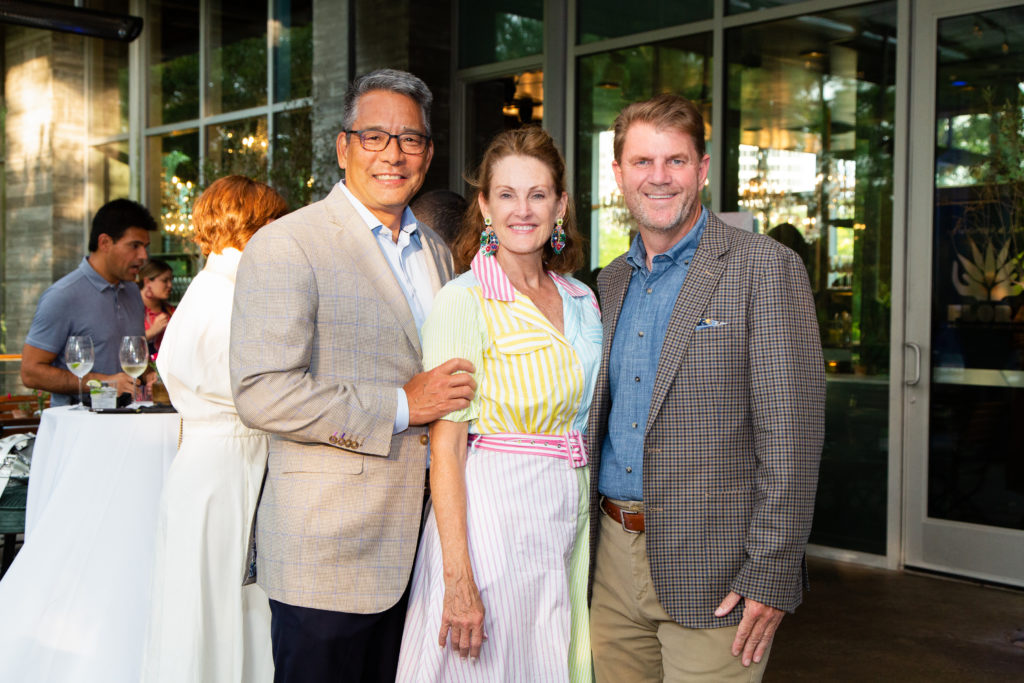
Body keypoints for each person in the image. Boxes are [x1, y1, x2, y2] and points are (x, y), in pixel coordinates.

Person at [229, 69, 475, 683]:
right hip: (328, 554)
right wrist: (398, 405)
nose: (393, 154)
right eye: (374, 136)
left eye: (410, 139)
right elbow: (261, 392)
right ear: (343, 148)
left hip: (421, 549)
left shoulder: (438, 252)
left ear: (428, 154)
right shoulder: (289, 245)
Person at [586, 93, 825, 682]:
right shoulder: (608, 282)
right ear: (618, 173)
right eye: (642, 162)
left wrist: (772, 571)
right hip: (609, 561)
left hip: (717, 572)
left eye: (676, 160)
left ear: (703, 168)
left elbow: (791, 436)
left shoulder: (764, 268)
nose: (659, 177)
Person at [397, 126, 602, 681]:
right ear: (484, 205)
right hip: (489, 522)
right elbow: (446, 451)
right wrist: (459, 581)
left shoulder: (583, 300)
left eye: (538, 194)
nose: (523, 210)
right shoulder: (462, 300)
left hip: (564, 518)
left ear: (560, 205)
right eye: (507, 195)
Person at [141, 176, 288, 683]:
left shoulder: (208, 289)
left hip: (207, 463)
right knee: (226, 597)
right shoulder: (230, 295)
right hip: (230, 463)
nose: (280, 231)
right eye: (272, 221)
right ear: (247, 225)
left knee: (202, 602)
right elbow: (260, 392)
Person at [21, 198, 157, 405]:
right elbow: (31, 372)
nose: (143, 255)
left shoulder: (131, 292)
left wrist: (149, 376)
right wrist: (103, 383)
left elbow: (130, 363)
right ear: (104, 243)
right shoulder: (62, 295)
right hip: (79, 428)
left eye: (145, 246)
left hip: (129, 422)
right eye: (134, 246)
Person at [137, 258, 176, 358]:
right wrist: (152, 331)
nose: (170, 285)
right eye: (165, 280)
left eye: (171, 280)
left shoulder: (171, 312)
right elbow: (122, 345)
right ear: (147, 281)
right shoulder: (131, 309)